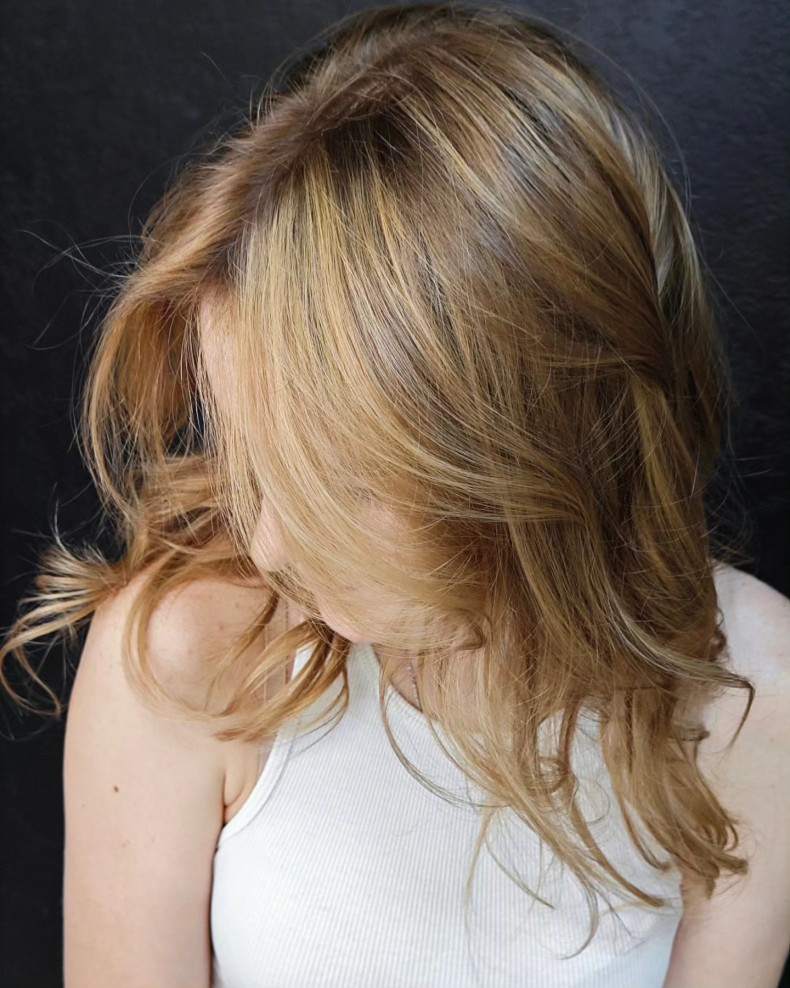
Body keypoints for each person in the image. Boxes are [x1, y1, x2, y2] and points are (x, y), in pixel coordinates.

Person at [2, 4, 789, 987]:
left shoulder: (756, 694)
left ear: (538, 448)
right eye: (254, 456)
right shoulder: (186, 661)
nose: (272, 544)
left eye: (344, 480)